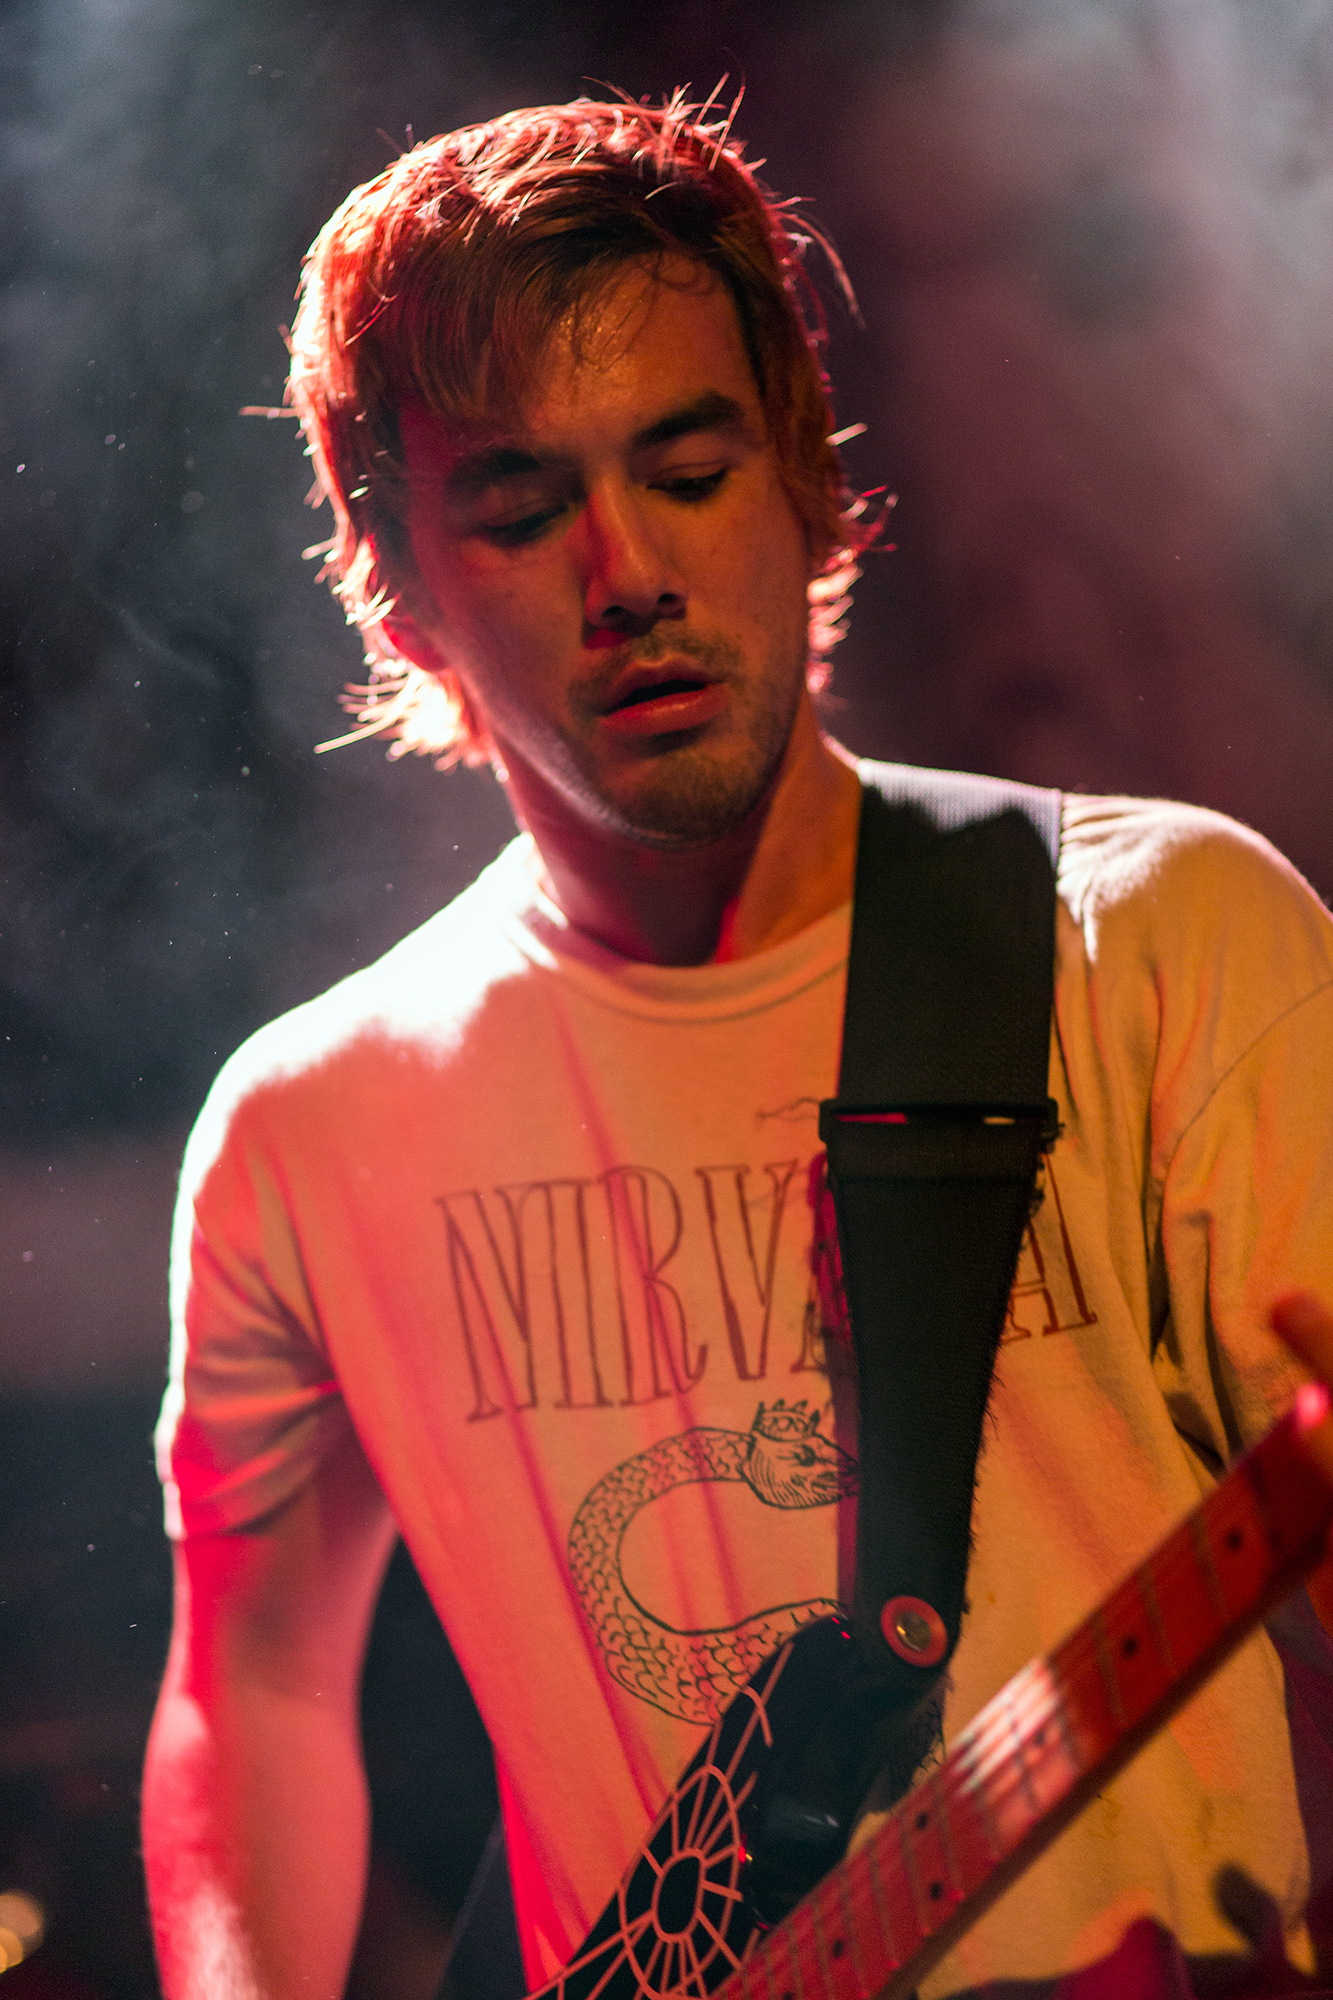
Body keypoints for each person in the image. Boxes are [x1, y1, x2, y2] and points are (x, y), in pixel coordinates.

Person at [140, 94, 1333, 2000]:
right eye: (520, 512)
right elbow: (256, 1688)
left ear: (804, 480)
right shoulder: (308, 1124)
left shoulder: (1162, 942)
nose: (626, 571)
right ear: (403, 589)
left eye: (688, 469)